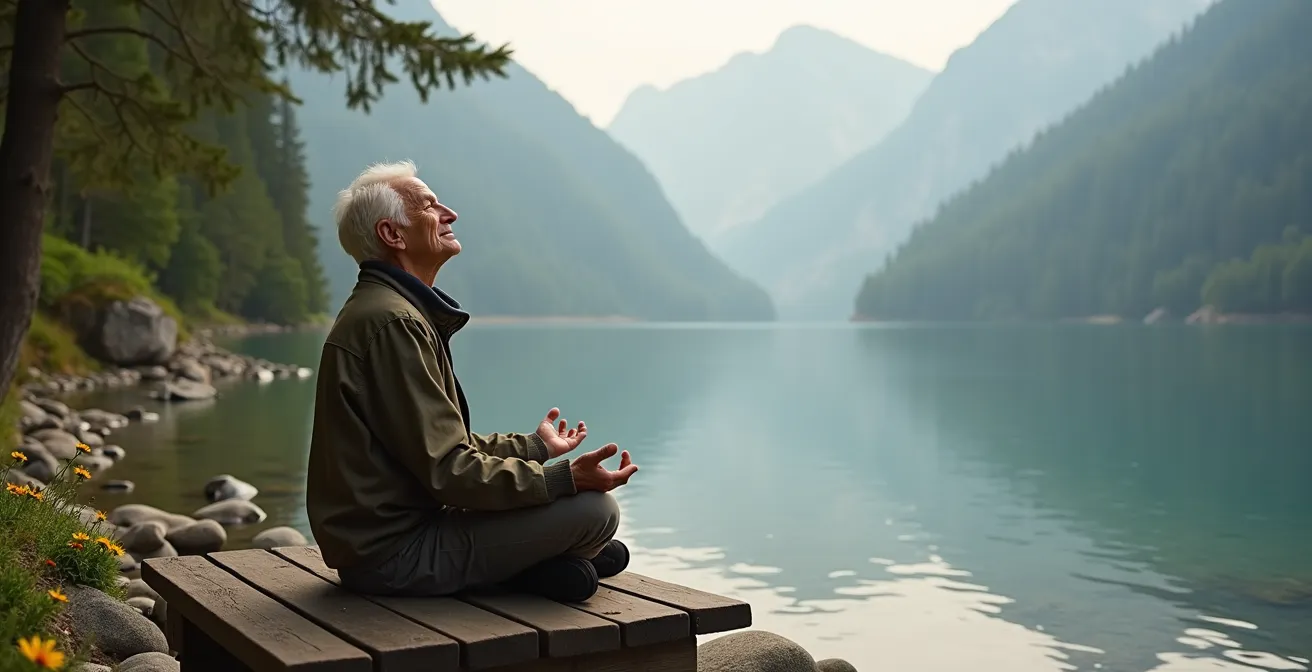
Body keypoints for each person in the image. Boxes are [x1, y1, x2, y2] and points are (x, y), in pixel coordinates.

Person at [305, 160, 638, 603]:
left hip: (385, 542)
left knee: (588, 529)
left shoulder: (387, 311)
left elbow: (439, 448)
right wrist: (564, 480)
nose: (449, 213)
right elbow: (449, 471)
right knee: (597, 513)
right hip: (393, 557)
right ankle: (530, 566)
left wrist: (535, 449)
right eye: (428, 206)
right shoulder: (393, 323)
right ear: (393, 234)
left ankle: (539, 565)